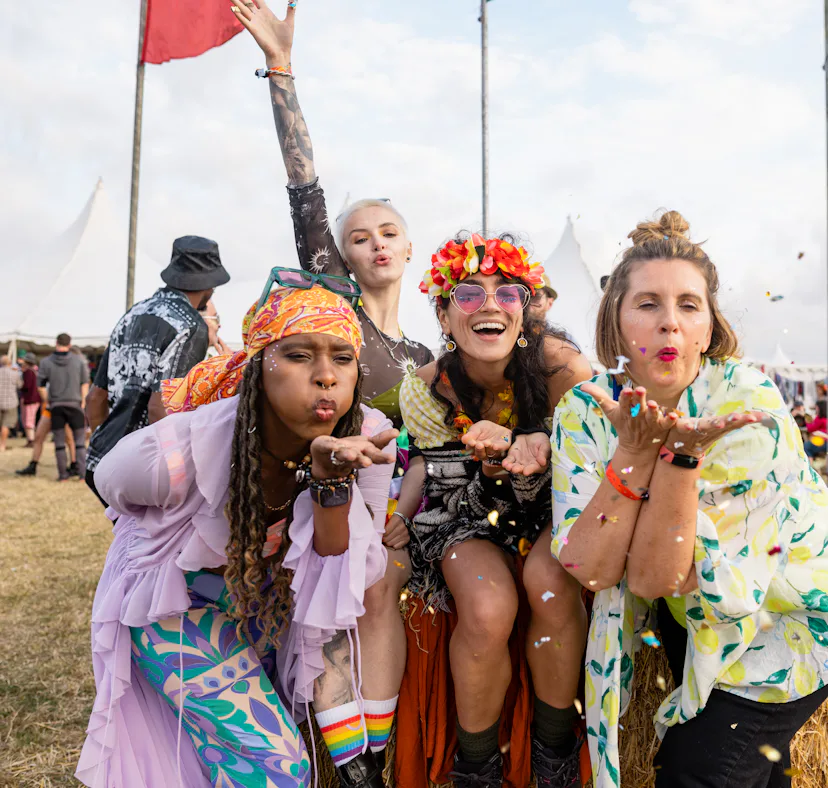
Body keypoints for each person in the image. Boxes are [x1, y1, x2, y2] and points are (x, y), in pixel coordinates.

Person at [76, 284, 398, 787]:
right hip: (175, 607)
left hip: (265, 604)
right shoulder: (180, 452)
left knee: (245, 758)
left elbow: (337, 562)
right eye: (298, 355)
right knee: (278, 766)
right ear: (259, 367)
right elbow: (112, 485)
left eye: (343, 357)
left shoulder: (369, 440)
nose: (326, 375)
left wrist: (328, 480)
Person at [549, 211, 828, 788]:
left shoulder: (746, 405)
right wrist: (632, 454)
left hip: (789, 618)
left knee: (698, 769)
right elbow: (588, 566)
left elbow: (656, 578)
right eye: (648, 304)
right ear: (616, 322)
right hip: (694, 622)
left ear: (708, 328)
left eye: (689, 306)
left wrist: (675, 456)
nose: (669, 324)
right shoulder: (584, 409)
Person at [234, 5, 432, 778]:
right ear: (340, 256)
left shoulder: (425, 352)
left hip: (394, 507)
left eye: (388, 232)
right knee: (340, 599)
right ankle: (347, 763)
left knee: (383, 590)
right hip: (323, 497)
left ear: (409, 249)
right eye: (359, 236)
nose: (375, 242)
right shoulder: (337, 316)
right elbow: (305, 188)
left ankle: (370, 761)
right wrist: (282, 74)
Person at [398, 232, 593, 787]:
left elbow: (591, 477)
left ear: (525, 309)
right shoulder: (427, 390)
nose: (489, 305)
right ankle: (477, 766)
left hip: (561, 503)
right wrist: (492, 468)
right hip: (471, 511)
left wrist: (539, 452)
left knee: (550, 583)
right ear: (443, 313)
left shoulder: (566, 372)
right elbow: (449, 490)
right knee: (485, 608)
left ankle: (553, 756)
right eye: (467, 295)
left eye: (507, 294)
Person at [84, 236, 229, 505]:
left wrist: (105, 447)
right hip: (142, 468)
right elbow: (162, 407)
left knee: (131, 543)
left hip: (100, 460)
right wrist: (177, 475)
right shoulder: (190, 325)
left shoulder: (132, 313)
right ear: (208, 284)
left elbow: (95, 397)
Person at [36, 334, 89, 480]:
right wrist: (83, 401)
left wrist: (48, 400)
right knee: (79, 441)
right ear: (70, 344)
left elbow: (40, 386)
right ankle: (82, 474)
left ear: (56, 343)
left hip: (56, 405)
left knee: (59, 442)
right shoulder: (79, 361)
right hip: (75, 404)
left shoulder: (46, 362)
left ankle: (63, 475)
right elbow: (85, 383)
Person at [0, 355, 22, 451]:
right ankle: (2, 445)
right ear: (9, 363)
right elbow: (20, 385)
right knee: (6, 424)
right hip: (11, 402)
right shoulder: (14, 374)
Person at [18, 353, 41, 446]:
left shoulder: (28, 372)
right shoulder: (35, 371)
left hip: (30, 399)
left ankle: (31, 440)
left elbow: (26, 386)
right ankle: (30, 439)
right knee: (31, 419)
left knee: (28, 420)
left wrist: (20, 386)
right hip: (34, 399)